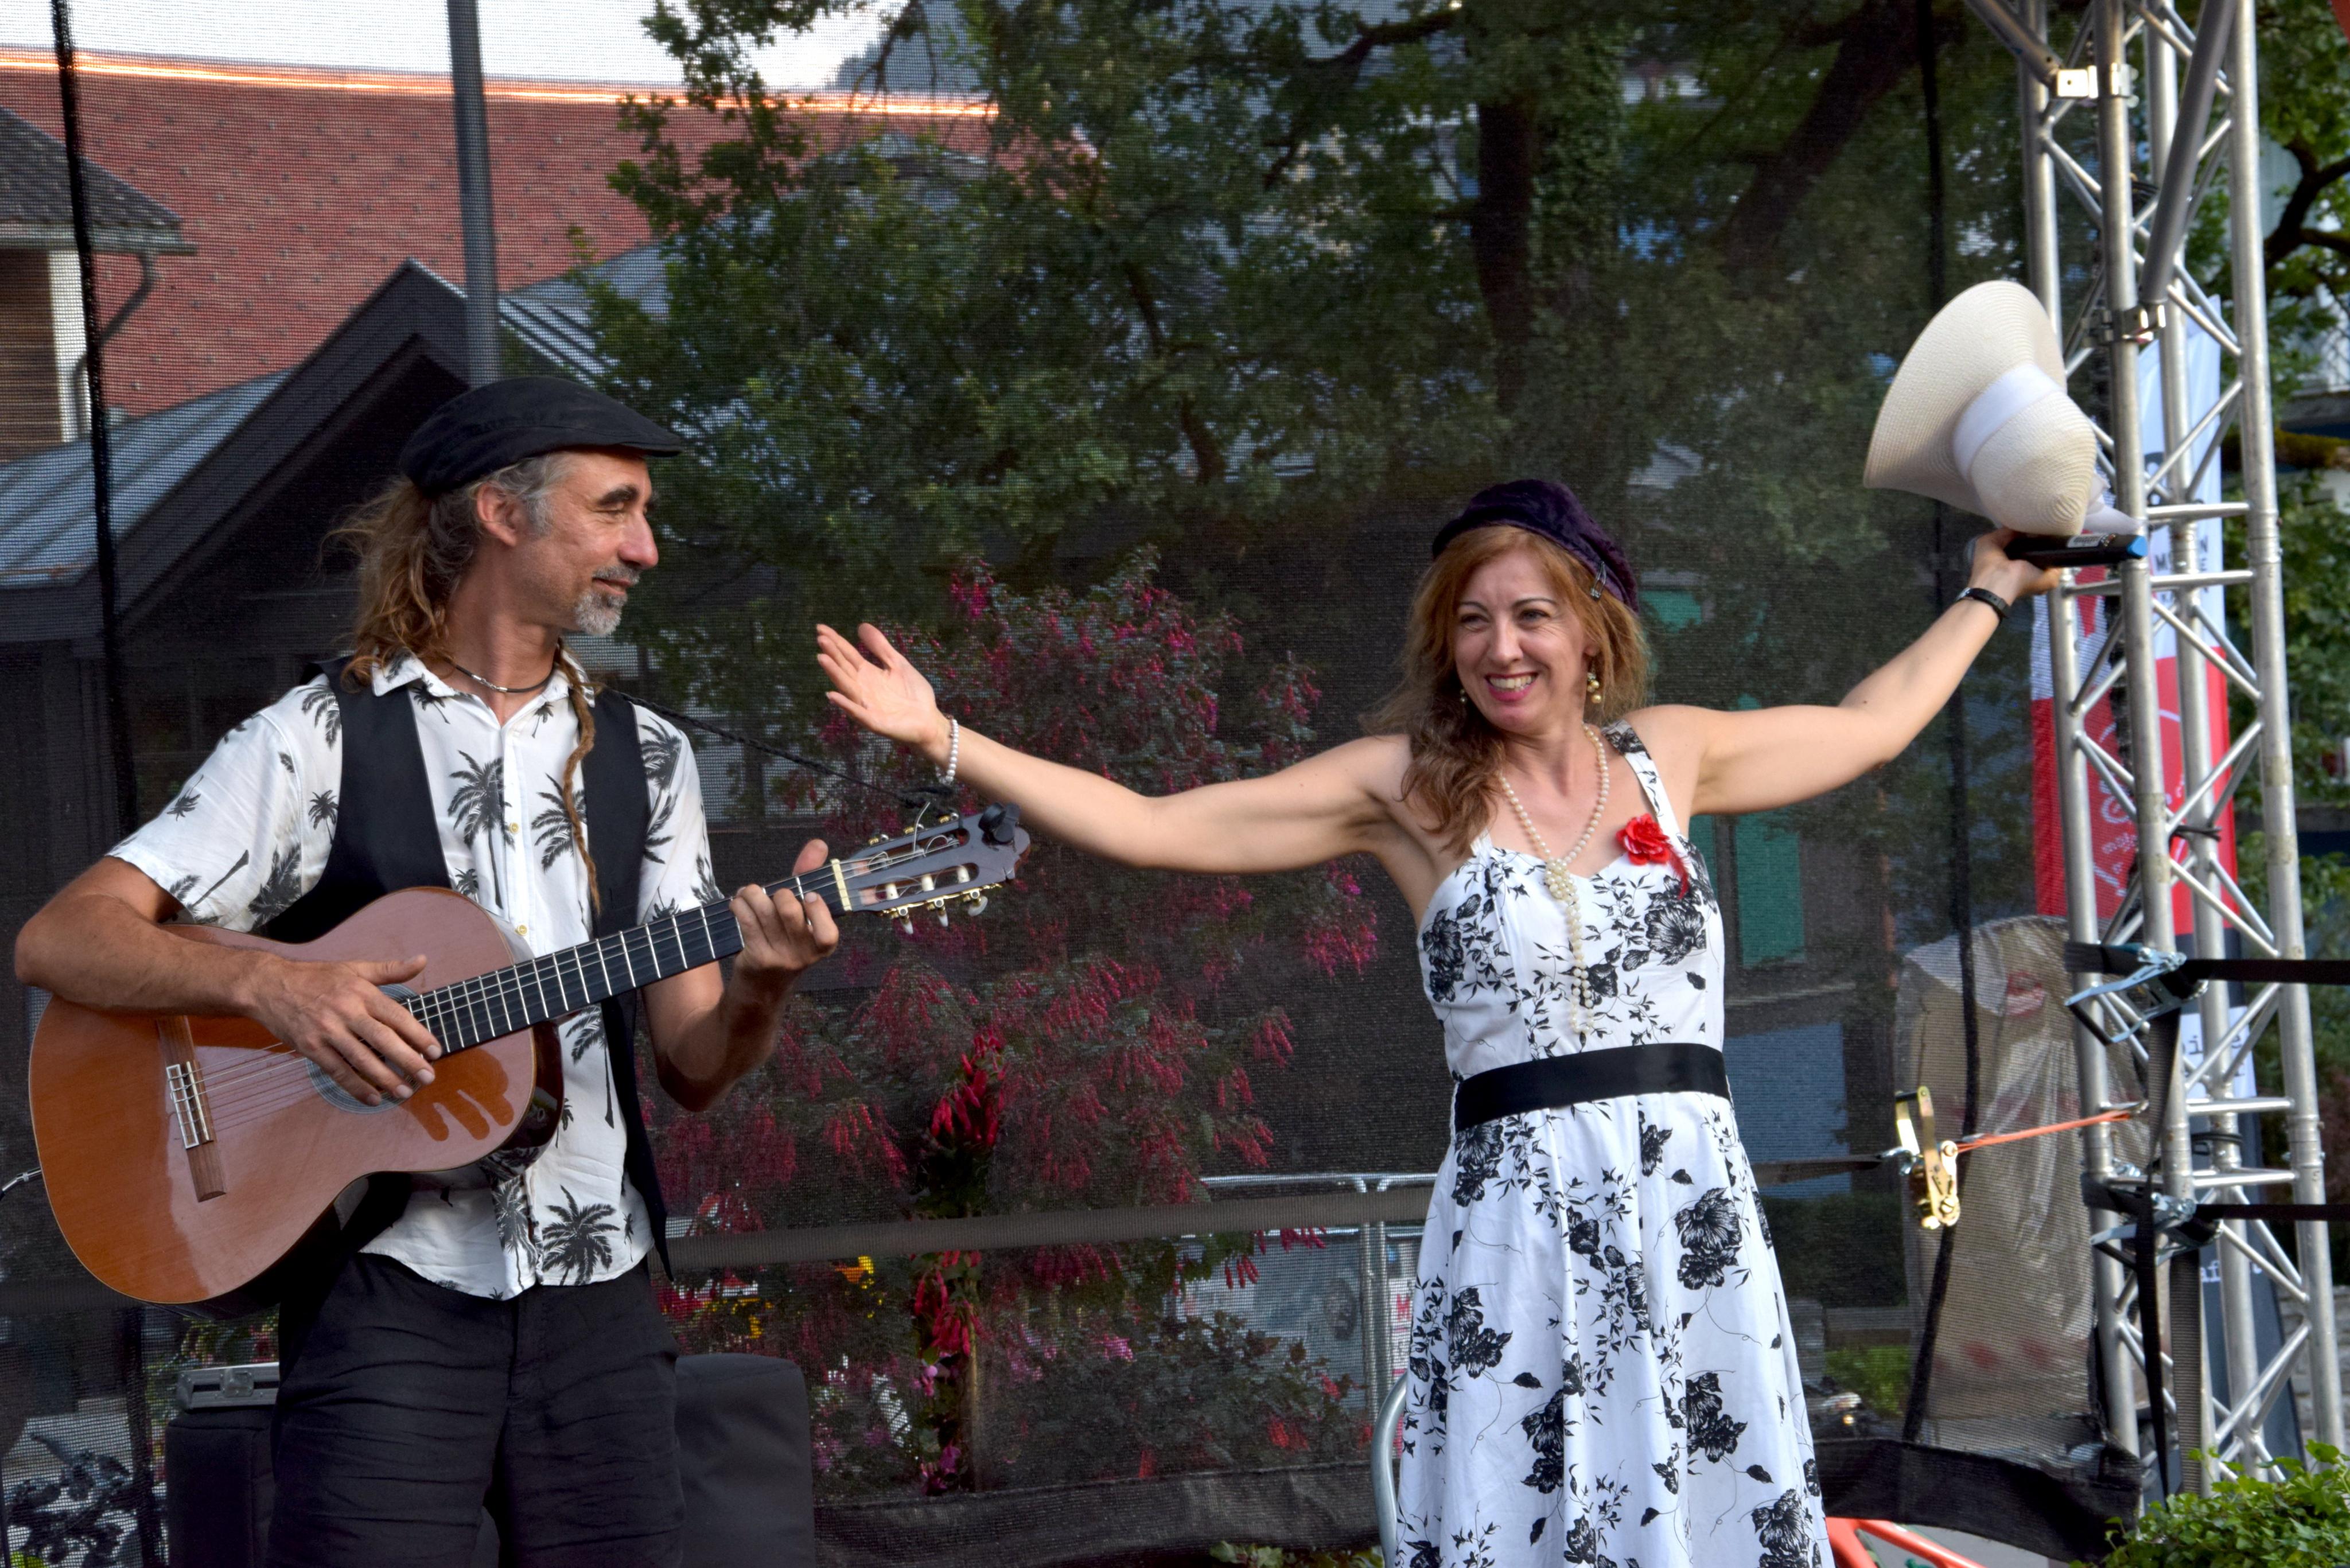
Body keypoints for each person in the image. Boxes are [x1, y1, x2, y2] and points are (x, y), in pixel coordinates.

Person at [817, 478, 2056, 1567]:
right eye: (1472, 620)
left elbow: (1870, 725)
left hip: (1686, 1211)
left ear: (1591, 630)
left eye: (1531, 615)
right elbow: (1153, 824)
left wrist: (1988, 591)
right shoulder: (1406, 786)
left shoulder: (1669, 757)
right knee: (1521, 1513)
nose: (1501, 646)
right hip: (1520, 1219)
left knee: (1704, 1507)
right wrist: (946, 737)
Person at [14, 378, 840, 1568]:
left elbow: (695, 1064)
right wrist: (275, 988)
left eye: (645, 513)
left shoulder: (649, 759)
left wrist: (762, 983)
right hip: (385, 1292)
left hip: (599, 1298)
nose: (645, 548)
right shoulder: (317, 738)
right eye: (615, 508)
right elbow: (60, 938)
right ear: (502, 512)